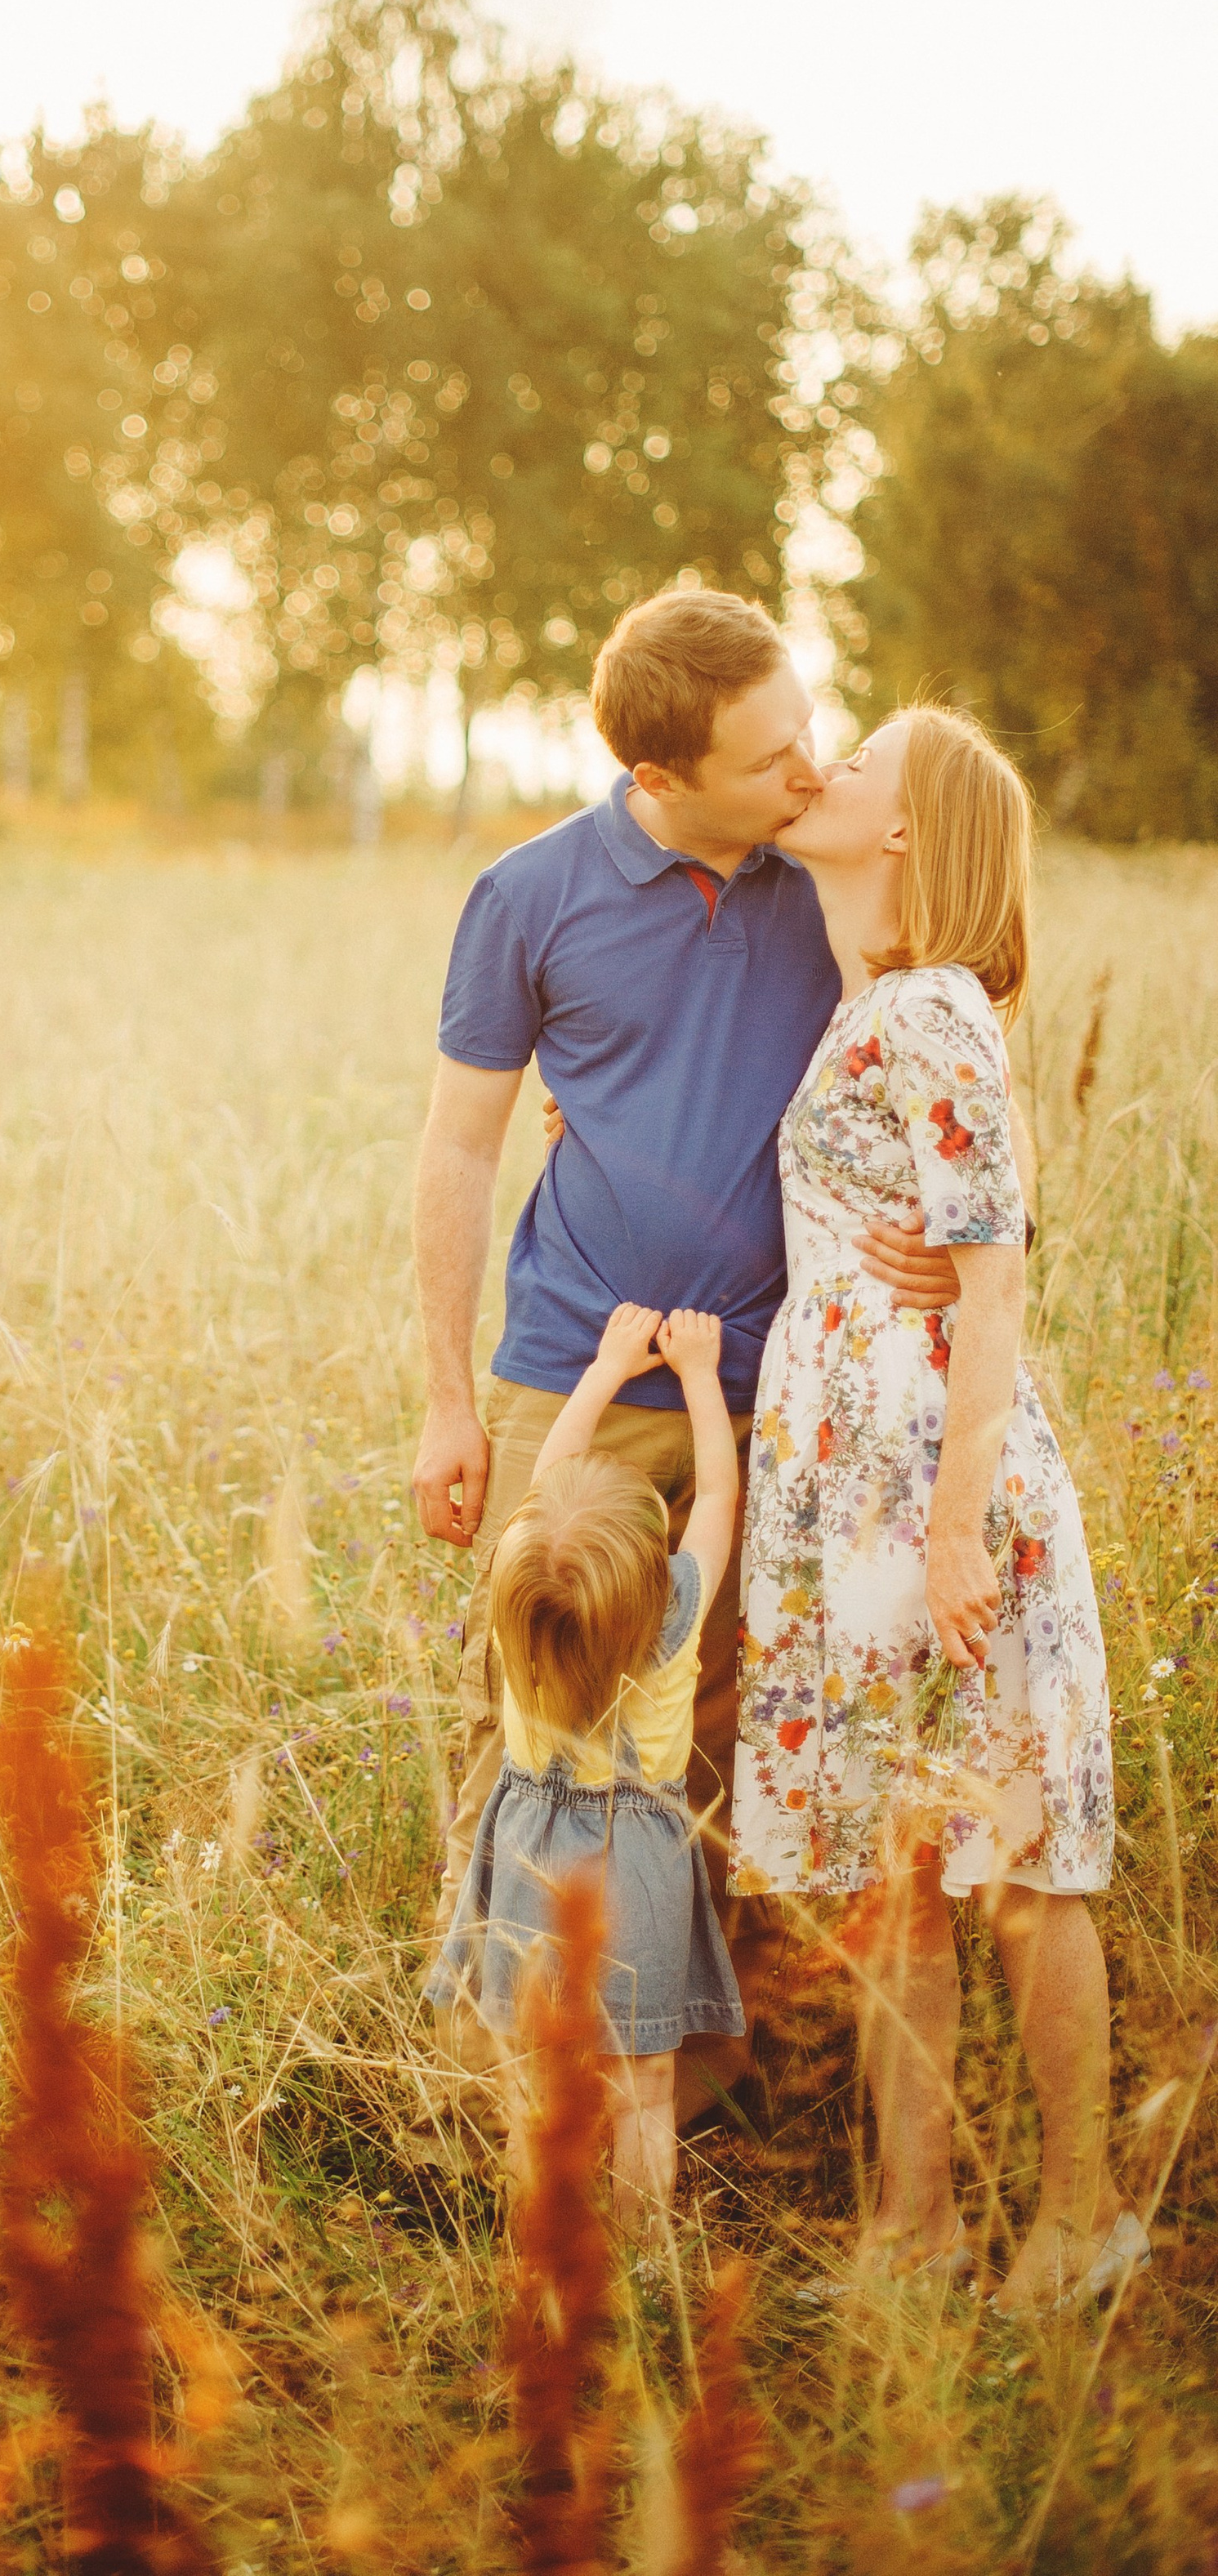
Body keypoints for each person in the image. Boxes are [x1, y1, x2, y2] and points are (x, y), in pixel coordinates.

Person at [413, 586, 963, 2118]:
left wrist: (978, 1237)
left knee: (711, 1725)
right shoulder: (529, 896)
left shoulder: (831, 875)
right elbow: (460, 1148)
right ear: (658, 775)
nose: (812, 767)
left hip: (779, 1383)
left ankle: (683, 2073)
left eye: (811, 731)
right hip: (569, 1376)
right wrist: (451, 1400)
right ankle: (502, 2083)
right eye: (770, 756)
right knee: (533, 1714)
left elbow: (955, 1053)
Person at [733, 704, 1137, 2310]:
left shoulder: (927, 1006)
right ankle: (912, 2232)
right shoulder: (868, 1005)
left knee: (1017, 1865)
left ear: (904, 830)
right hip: (851, 1505)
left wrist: (957, 1524)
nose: (822, 768)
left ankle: (1082, 2219)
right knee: (897, 1871)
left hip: (937, 1500)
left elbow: (994, 1275)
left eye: (858, 762)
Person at [429, 1301, 743, 2234]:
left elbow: (545, 1484)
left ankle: (541, 2253)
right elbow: (717, 1503)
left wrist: (603, 1368)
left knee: (533, 2082)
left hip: (527, 1855)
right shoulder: (672, 1617)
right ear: (651, 1571)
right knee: (643, 2088)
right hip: (639, 1865)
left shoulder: (515, 1602)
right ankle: (640, 2258)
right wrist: (699, 1377)